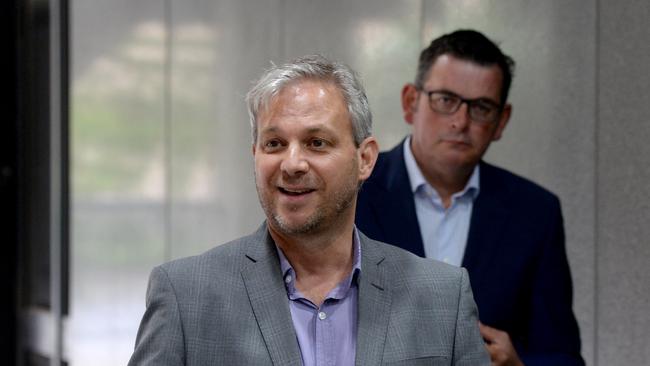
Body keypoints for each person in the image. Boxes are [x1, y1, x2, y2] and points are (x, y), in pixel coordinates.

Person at [128, 54, 490, 365]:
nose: (292, 163)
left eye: (317, 143)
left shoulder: (443, 298)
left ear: (364, 160)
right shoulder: (185, 296)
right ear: (255, 156)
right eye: (274, 143)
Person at [356, 30, 584, 366]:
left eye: (481, 107)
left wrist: (518, 363)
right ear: (411, 102)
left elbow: (562, 355)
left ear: (501, 121)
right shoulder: (352, 192)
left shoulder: (536, 213)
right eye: (446, 100)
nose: (461, 122)